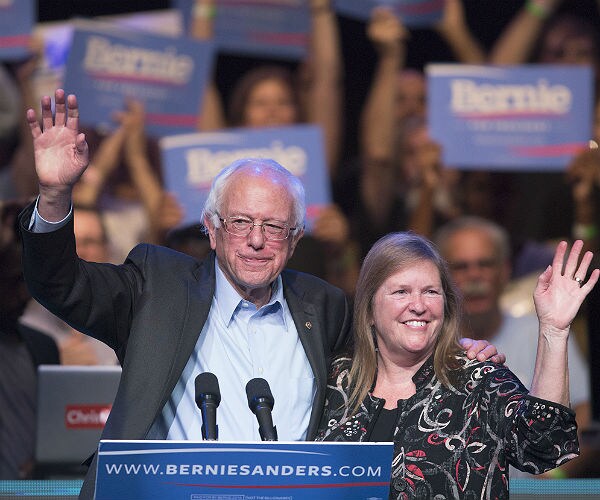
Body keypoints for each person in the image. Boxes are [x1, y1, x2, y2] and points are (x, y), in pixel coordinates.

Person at [19, 90, 502, 499]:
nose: (255, 240)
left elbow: (389, 365)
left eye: (273, 227)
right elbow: (61, 284)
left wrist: (456, 353)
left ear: (295, 240)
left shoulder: (325, 306)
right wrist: (56, 196)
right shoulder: (157, 286)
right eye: (241, 223)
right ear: (211, 229)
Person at [317, 231, 596, 498]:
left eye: (431, 292)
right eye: (401, 291)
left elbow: (546, 446)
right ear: (369, 311)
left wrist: (554, 329)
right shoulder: (335, 379)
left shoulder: (480, 379)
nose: (418, 305)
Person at [435, 215, 592, 478]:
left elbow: (586, 412)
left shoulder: (542, 329)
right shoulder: (426, 342)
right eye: (461, 267)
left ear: (506, 270)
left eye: (485, 264)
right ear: (442, 277)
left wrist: (552, 478)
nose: (475, 275)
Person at [0, 199, 60, 479]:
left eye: (26, 281)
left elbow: (53, 437)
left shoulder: (42, 346)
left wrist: (46, 461)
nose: (24, 294)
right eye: (13, 281)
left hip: (31, 492)